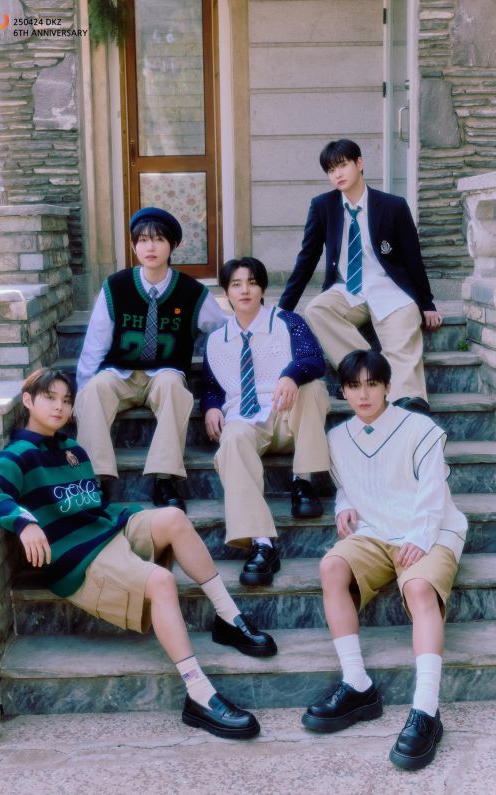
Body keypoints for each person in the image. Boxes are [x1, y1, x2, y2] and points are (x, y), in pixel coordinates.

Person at [0, 368, 278, 740]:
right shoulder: (19, 455)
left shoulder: (72, 449)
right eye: (50, 398)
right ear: (29, 401)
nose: (59, 407)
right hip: (78, 557)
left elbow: (91, 506)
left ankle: (228, 618)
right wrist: (23, 521)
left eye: (66, 400)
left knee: (174, 518)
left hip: (104, 529)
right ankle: (198, 694)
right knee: (161, 581)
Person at [302, 350, 468, 770]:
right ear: (343, 392)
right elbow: (348, 484)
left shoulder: (419, 428)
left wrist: (419, 537)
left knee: (418, 587)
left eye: (372, 384)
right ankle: (357, 684)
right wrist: (343, 505)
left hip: (431, 527)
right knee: (331, 566)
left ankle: (426, 711)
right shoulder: (337, 437)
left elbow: (433, 491)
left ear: (388, 387)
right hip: (375, 531)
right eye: (354, 386)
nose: (363, 394)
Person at [74, 207, 229, 511]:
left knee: (174, 388)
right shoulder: (115, 286)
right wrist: (80, 391)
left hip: (165, 373)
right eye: (143, 240)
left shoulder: (192, 292)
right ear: (134, 246)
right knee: (94, 390)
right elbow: (95, 344)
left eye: (158, 239)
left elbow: (225, 331)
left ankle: (165, 479)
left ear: (173, 245)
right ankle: (94, 478)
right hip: (120, 374)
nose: (150, 247)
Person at [279, 138, 443, 414]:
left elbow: (412, 258)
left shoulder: (392, 206)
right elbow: (306, 259)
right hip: (347, 289)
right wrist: (283, 309)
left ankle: (408, 403)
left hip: (389, 288)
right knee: (316, 309)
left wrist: (426, 303)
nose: (338, 174)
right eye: (331, 170)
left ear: (359, 163)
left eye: (343, 165)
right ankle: (365, 370)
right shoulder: (323, 206)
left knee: (404, 331)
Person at [201, 257, 330, 586]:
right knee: (231, 440)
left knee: (313, 388)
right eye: (236, 284)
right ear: (226, 293)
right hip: (245, 421)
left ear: (262, 289)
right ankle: (261, 544)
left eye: (252, 282)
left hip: (287, 415)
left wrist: (292, 374)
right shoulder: (217, 339)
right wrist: (211, 407)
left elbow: (314, 359)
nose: (245, 290)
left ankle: (303, 481)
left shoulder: (287, 321)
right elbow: (211, 387)